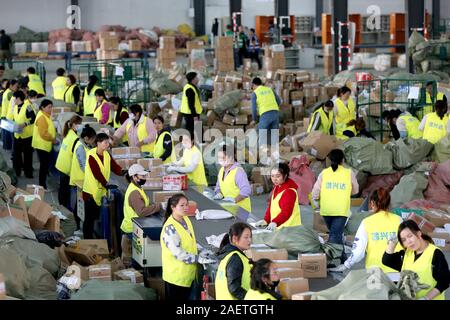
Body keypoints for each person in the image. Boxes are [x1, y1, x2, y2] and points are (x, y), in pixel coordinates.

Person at [329, 188, 402, 273]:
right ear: (389, 203)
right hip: (398, 271)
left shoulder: (367, 222)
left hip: (375, 273)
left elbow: (358, 252)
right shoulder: (399, 220)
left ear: (371, 203)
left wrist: (346, 265)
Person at [161, 194, 214, 300]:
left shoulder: (185, 219)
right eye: (182, 205)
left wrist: (200, 251)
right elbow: (179, 253)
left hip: (188, 276)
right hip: (176, 278)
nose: (186, 208)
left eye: (187, 205)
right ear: (173, 207)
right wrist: (198, 258)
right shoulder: (170, 228)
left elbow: (189, 240)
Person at [382, 220, 450, 300]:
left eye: (410, 236)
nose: (409, 242)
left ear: (418, 233)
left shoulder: (435, 254)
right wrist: (392, 243)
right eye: (404, 240)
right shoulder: (407, 253)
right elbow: (387, 260)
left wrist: (426, 298)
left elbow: (444, 282)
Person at [311, 149, 359, 263]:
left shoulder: (324, 173)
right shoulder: (349, 173)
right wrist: (346, 192)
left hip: (326, 210)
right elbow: (355, 190)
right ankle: (327, 262)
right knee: (335, 235)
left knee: (335, 233)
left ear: (330, 160)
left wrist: (316, 201)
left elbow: (315, 191)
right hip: (341, 210)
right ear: (343, 160)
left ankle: (342, 257)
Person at [82, 133, 123, 239]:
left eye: (107, 142)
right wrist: (106, 184)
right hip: (90, 192)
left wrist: (125, 172)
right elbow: (97, 173)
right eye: (105, 142)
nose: (107, 144)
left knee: (96, 216)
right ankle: (87, 240)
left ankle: (97, 239)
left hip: (100, 192)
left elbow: (114, 167)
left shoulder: (106, 154)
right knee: (89, 219)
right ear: (98, 143)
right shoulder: (91, 155)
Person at [121, 164, 161, 265]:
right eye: (142, 176)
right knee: (136, 259)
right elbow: (141, 211)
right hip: (132, 228)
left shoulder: (137, 187)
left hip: (134, 226)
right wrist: (158, 206)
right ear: (134, 177)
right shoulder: (134, 192)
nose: (145, 178)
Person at [256, 162, 301, 231]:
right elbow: (271, 206)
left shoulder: (289, 191)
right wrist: (266, 220)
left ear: (285, 176)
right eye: (272, 176)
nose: (274, 179)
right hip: (280, 228)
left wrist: (275, 222)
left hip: (289, 229)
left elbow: (286, 212)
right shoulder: (277, 187)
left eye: (278, 176)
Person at [69, 124, 96, 230]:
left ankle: (77, 226)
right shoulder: (80, 147)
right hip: (79, 180)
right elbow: (83, 165)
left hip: (82, 181)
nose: (94, 141)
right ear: (86, 138)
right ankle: (76, 227)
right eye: (93, 139)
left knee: (79, 205)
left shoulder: (84, 144)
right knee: (78, 206)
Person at [216, 222, 252, 300]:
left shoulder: (228, 255)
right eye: (246, 237)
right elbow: (234, 288)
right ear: (235, 238)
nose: (250, 240)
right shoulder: (235, 258)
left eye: (250, 237)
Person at [55, 115, 82, 210]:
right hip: (66, 166)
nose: (81, 126)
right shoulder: (75, 138)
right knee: (65, 189)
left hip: (61, 164)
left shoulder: (68, 132)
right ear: (74, 124)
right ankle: (64, 208)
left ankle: (61, 206)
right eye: (79, 124)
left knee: (62, 187)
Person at [213, 144, 251, 212]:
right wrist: (219, 193)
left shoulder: (238, 171)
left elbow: (246, 190)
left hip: (241, 209)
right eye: (219, 157)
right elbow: (218, 186)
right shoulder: (221, 170)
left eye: (223, 157)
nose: (220, 160)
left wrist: (234, 200)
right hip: (229, 208)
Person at [32, 99, 57, 189]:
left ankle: (43, 183)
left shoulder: (45, 115)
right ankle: (42, 186)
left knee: (45, 165)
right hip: (42, 145)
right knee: (43, 166)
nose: (51, 109)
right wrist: (53, 139)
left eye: (51, 107)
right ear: (43, 107)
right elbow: (43, 133)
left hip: (43, 145)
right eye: (49, 107)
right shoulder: (42, 117)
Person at [12, 90, 37, 178]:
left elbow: (33, 118)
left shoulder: (28, 106)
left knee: (27, 156)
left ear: (18, 98)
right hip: (17, 135)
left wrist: (25, 124)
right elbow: (15, 119)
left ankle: (28, 173)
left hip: (27, 136)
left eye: (14, 98)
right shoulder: (15, 107)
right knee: (16, 155)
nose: (13, 100)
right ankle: (17, 172)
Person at [180, 72, 202, 137]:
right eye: (196, 78)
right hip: (190, 114)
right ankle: (192, 144)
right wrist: (194, 116)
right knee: (194, 131)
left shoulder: (189, 86)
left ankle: (194, 144)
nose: (198, 79)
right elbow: (191, 104)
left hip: (190, 113)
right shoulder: (190, 89)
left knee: (194, 130)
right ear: (193, 79)